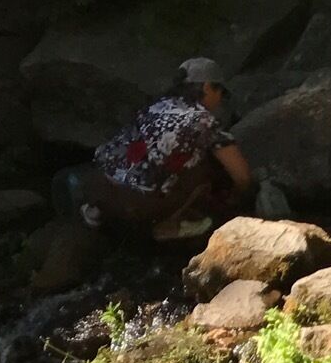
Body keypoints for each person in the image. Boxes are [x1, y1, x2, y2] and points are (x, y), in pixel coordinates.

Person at [57, 57, 254, 237]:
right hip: (136, 204)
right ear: (208, 87)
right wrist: (238, 198)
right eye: (220, 91)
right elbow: (242, 176)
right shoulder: (204, 121)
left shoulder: (158, 105)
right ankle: (169, 225)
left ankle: (97, 211)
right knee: (205, 170)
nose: (220, 99)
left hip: (100, 184)